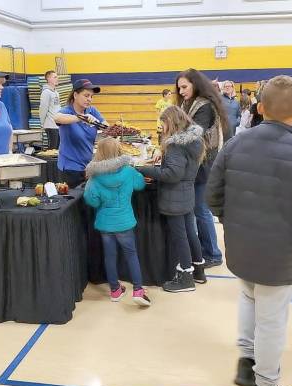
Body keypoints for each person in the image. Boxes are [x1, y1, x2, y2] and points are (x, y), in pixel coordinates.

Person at [206, 75, 292, 386]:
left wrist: (232, 224)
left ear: (259, 108)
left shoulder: (235, 144)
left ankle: (247, 363)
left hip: (242, 246)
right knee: (272, 320)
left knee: (249, 298)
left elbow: (212, 195)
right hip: (280, 253)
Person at [138, 106, 206, 292]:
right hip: (186, 193)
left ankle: (185, 277)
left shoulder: (176, 144)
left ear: (172, 122)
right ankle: (198, 270)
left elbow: (172, 174)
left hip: (174, 195)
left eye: (164, 123)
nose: (162, 128)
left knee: (180, 236)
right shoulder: (193, 140)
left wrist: (141, 168)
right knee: (190, 232)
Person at [84, 137, 150, 306]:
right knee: (131, 255)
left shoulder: (94, 177)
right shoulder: (128, 171)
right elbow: (141, 184)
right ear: (119, 151)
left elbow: (92, 201)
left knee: (109, 256)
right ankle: (138, 290)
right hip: (125, 222)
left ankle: (115, 290)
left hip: (105, 224)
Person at [176, 68, 228, 268]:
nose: (181, 91)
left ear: (195, 84)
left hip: (204, 165)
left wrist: (171, 140)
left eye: (184, 87)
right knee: (197, 210)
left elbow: (194, 134)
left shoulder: (204, 106)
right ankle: (203, 250)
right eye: (179, 88)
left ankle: (213, 254)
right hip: (196, 164)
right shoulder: (188, 103)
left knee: (201, 210)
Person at [54, 79, 107, 188]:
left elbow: (106, 126)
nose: (89, 99)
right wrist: (81, 118)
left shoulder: (92, 111)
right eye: (86, 95)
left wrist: (100, 124)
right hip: (70, 169)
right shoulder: (67, 111)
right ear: (75, 95)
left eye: (91, 97)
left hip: (88, 167)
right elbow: (57, 118)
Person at [39, 70, 61, 150]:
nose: (57, 78)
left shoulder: (56, 92)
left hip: (57, 125)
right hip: (50, 125)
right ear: (48, 79)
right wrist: (42, 123)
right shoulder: (46, 92)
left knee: (58, 148)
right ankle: (50, 163)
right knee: (52, 148)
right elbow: (43, 109)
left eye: (57, 77)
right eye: (55, 77)